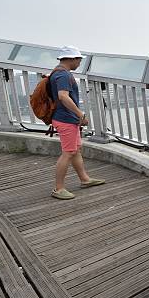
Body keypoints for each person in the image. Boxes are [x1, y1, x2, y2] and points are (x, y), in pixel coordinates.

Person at [50, 46, 104, 200]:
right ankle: (58, 188)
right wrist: (80, 114)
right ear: (72, 59)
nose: (79, 63)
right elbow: (63, 96)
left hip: (66, 118)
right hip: (65, 119)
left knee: (75, 150)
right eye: (79, 60)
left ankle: (85, 179)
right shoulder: (63, 75)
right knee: (68, 153)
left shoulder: (57, 72)